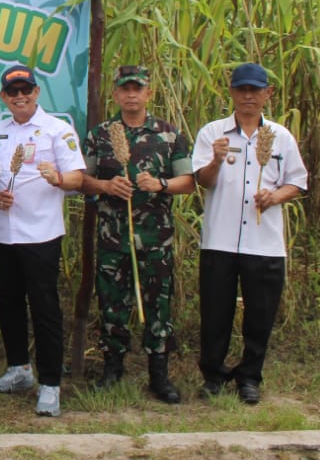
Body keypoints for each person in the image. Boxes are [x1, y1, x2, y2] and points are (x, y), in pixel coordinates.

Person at [192, 62, 307, 405]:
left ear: (267, 94)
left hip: (265, 242)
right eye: (241, 89)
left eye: (255, 90)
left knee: (260, 314)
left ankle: (249, 377)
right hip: (220, 240)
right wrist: (214, 161)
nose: (248, 96)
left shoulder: (280, 137)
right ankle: (213, 375)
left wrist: (274, 196)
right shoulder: (213, 133)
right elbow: (202, 181)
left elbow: (297, 182)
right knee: (215, 313)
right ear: (231, 92)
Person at [81, 65, 194, 404]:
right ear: (115, 94)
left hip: (155, 239)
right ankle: (112, 369)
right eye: (125, 88)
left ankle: (159, 374)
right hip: (114, 238)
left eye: (137, 88)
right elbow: (82, 181)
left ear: (148, 93)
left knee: (157, 305)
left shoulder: (169, 134)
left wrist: (160, 184)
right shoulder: (100, 135)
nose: (131, 94)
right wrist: (105, 185)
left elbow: (187, 182)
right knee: (112, 304)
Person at [0, 65, 85, 418]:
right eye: (13, 92)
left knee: (44, 308)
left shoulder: (57, 130)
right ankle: (19, 370)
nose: (20, 97)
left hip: (40, 234)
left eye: (26, 90)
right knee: (8, 302)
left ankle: (50, 383)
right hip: (2, 232)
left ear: (36, 92)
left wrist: (58, 178)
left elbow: (78, 177)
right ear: (4, 97)